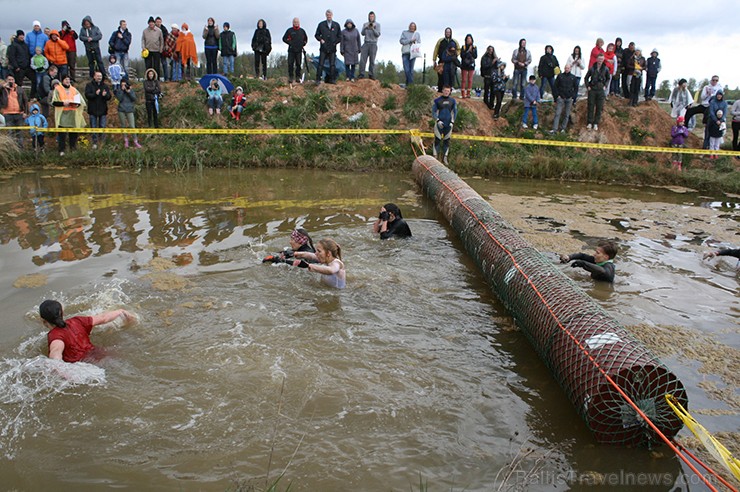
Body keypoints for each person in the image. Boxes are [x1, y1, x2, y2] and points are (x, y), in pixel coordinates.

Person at [41, 299, 136, 363]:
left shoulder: (55, 336)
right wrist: (120, 311)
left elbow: (56, 354)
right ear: (63, 313)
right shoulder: (77, 321)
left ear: (44, 321)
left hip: (84, 365)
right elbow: (103, 318)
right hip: (99, 354)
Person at [51, 74, 86, 156]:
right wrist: (63, 103)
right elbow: (54, 102)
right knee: (62, 134)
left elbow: (80, 101)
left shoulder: (74, 90)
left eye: (68, 79)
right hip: (62, 114)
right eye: (66, 79)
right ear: (62, 80)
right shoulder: (57, 89)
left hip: (72, 113)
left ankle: (73, 149)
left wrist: (76, 104)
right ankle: (61, 150)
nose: (67, 81)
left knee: (73, 133)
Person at [684, 76, 722, 150]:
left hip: (712, 107)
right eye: (713, 80)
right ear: (711, 80)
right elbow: (702, 97)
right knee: (690, 111)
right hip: (704, 105)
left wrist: (712, 95)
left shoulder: (719, 88)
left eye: (716, 80)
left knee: (707, 123)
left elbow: (718, 98)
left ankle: (706, 145)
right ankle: (685, 127)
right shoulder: (706, 87)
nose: (714, 82)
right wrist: (707, 93)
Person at [84, 71, 111, 149]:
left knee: (102, 126)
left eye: (100, 76)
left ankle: (102, 142)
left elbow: (109, 97)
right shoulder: (89, 85)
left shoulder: (105, 86)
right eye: (98, 76)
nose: (99, 77)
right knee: (93, 127)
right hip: (93, 109)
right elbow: (87, 95)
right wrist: (95, 94)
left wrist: (105, 95)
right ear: (94, 77)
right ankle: (94, 142)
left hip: (103, 109)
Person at [0, 75, 29, 147]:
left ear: (14, 80)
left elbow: (25, 100)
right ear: (6, 81)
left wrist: (26, 112)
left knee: (20, 133)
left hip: (19, 113)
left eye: (12, 79)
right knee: (10, 132)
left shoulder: (19, 89)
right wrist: (2, 86)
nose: (11, 81)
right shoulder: (3, 89)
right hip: (7, 113)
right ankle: (11, 148)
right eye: (9, 79)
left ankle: (20, 149)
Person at [315, 10, 341, 85]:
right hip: (323, 48)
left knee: (332, 65)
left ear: (332, 15)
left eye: (330, 15)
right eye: (327, 15)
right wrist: (320, 40)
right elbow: (316, 35)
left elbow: (340, 37)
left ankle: (332, 79)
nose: (329, 16)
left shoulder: (336, 25)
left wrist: (335, 42)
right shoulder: (321, 24)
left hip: (332, 48)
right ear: (326, 15)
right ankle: (318, 79)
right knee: (321, 64)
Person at [432, 85, 457, 164]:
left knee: (446, 141)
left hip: (448, 124)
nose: (446, 92)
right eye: (445, 91)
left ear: (450, 92)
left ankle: (445, 158)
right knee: (437, 140)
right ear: (442, 91)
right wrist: (438, 120)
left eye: (448, 91)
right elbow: (433, 112)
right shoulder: (437, 101)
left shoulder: (452, 101)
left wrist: (452, 122)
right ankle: (435, 158)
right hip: (439, 124)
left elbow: (455, 112)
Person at [584, 53, 609, 130]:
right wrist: (588, 86)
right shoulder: (592, 68)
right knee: (591, 106)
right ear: (597, 59)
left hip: (601, 89)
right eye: (599, 59)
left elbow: (608, 78)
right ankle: (589, 122)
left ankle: (596, 123)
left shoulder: (605, 68)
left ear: (603, 59)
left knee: (599, 107)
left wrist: (605, 86)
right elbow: (586, 78)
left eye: (602, 59)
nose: (600, 60)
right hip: (592, 89)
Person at [551, 64, 578, 134]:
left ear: (570, 69)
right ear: (564, 68)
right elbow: (555, 87)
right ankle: (554, 129)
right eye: (566, 68)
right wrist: (557, 96)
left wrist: (573, 97)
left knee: (567, 114)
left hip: (569, 98)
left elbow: (576, 88)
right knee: (557, 113)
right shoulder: (560, 76)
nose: (567, 69)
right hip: (561, 98)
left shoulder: (573, 77)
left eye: (568, 68)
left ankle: (563, 128)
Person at [115, 79, 141, 148]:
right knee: (123, 125)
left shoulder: (131, 90)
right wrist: (123, 91)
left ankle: (135, 140)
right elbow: (119, 99)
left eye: (125, 84)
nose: (123, 86)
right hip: (121, 109)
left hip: (129, 109)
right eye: (122, 85)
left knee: (132, 126)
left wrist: (128, 92)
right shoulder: (119, 90)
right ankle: (125, 140)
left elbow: (134, 99)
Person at [283, 18, 308, 84]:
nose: (296, 23)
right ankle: (291, 77)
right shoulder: (289, 30)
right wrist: (290, 43)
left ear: (299, 23)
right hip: (291, 50)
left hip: (299, 50)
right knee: (290, 64)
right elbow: (284, 38)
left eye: (297, 22)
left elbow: (305, 39)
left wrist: (303, 44)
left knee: (298, 64)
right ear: (293, 23)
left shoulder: (302, 31)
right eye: (295, 22)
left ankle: (298, 77)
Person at [358, 11, 380, 80]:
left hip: (373, 44)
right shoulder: (365, 24)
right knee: (362, 60)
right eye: (370, 16)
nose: (371, 18)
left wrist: (373, 28)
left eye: (372, 16)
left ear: (374, 17)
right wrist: (366, 27)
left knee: (372, 60)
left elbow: (378, 34)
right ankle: (361, 74)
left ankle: (371, 74)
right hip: (366, 43)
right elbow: (362, 33)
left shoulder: (377, 25)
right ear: (368, 17)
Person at [399, 22, 420, 86]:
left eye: (413, 26)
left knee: (411, 70)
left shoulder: (417, 34)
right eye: (411, 26)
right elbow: (401, 41)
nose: (412, 27)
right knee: (406, 69)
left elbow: (419, 43)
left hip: (413, 53)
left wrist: (415, 42)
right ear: (409, 26)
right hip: (406, 52)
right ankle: (411, 84)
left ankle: (408, 85)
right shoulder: (404, 33)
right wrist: (410, 40)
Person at [460, 34, 477, 99]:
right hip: (464, 65)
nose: (468, 40)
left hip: (471, 65)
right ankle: (463, 94)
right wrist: (467, 51)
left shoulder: (474, 47)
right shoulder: (463, 47)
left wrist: (471, 51)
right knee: (464, 79)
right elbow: (462, 56)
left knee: (470, 80)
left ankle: (468, 93)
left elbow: (475, 56)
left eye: (470, 39)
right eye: (467, 39)